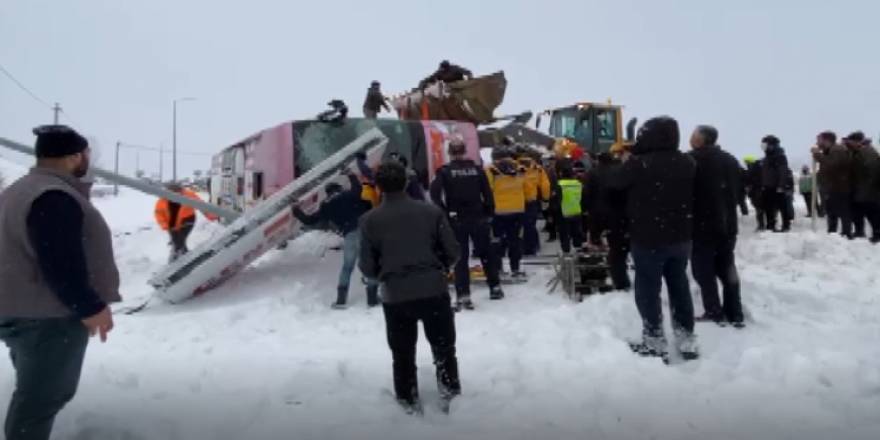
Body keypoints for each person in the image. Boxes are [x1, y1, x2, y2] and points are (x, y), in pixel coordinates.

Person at [0, 125, 121, 440]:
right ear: (73, 157)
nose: (88, 161)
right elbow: (60, 261)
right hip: (47, 317)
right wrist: (90, 306)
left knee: (34, 390)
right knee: (41, 398)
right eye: (86, 155)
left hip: (19, 310)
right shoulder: (54, 196)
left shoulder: (19, 190)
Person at [359, 161, 461, 413]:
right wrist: (440, 267)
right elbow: (453, 251)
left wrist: (384, 273)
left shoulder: (370, 221)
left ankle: (407, 401)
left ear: (379, 187)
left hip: (396, 296)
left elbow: (367, 267)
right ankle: (450, 395)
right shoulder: (431, 212)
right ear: (406, 182)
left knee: (402, 354)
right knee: (444, 348)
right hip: (433, 290)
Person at [608, 116, 698, 360]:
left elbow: (614, 182)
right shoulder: (687, 162)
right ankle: (686, 339)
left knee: (648, 289)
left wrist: (627, 159)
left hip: (648, 238)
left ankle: (654, 340)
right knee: (679, 287)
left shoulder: (639, 164)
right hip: (681, 237)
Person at [430, 140, 503, 310]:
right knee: (486, 253)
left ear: (449, 153)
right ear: (464, 152)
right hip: (478, 217)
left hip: (457, 220)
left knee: (460, 258)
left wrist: (445, 212)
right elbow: (488, 193)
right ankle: (495, 287)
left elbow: (434, 194)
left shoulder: (445, 172)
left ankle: (464, 296)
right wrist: (488, 212)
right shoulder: (477, 170)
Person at [293, 164, 377, 308]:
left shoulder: (326, 206)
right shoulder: (348, 195)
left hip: (349, 234)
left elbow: (309, 220)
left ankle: (341, 300)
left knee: (347, 267)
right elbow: (358, 188)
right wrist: (350, 174)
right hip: (365, 231)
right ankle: (372, 298)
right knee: (370, 263)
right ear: (339, 189)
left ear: (328, 193)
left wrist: (296, 210)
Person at [688, 126, 745, 328]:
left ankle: (714, 311)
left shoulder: (692, 160)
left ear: (701, 140)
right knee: (727, 267)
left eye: (693, 135)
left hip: (703, 225)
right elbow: (741, 188)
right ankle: (735, 313)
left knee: (703, 271)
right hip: (728, 224)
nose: (690, 138)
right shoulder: (730, 160)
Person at [585, 151, 631, 290]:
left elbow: (588, 194)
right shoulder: (620, 171)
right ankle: (622, 279)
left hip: (598, 213)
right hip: (618, 216)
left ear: (599, 160)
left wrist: (587, 210)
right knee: (619, 250)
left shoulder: (592, 173)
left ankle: (617, 281)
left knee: (604, 246)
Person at [486, 147, 528, 278]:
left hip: (499, 211)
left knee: (496, 240)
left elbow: (487, 189)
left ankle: (498, 268)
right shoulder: (521, 169)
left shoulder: (490, 170)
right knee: (515, 240)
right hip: (517, 211)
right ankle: (515, 269)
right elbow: (527, 188)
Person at [155, 183, 218, 262]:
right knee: (178, 242)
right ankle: (186, 257)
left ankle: (174, 261)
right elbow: (158, 214)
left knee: (179, 242)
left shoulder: (188, 194)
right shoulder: (162, 200)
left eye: (178, 193)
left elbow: (201, 205)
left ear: (181, 191)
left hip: (187, 220)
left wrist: (211, 216)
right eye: (173, 194)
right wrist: (165, 225)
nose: (176, 196)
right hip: (171, 224)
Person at [812, 131, 854, 237]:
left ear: (826, 140)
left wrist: (817, 155)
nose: (817, 143)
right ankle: (832, 233)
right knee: (831, 212)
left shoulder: (837, 150)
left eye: (819, 140)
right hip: (832, 187)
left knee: (843, 213)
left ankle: (846, 233)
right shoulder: (829, 151)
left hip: (840, 187)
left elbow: (832, 165)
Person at [843, 132, 880, 242]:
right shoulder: (857, 152)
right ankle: (860, 232)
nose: (848, 143)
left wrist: (867, 188)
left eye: (850, 141)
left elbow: (873, 171)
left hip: (868, 190)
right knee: (859, 212)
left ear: (856, 141)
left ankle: (877, 234)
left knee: (873, 213)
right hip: (860, 189)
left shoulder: (867, 152)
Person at [516, 146, 551, 256]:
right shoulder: (538, 168)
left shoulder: (514, 167)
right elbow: (545, 185)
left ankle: (523, 247)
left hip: (517, 201)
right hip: (532, 200)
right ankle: (532, 246)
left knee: (519, 225)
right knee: (530, 224)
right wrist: (545, 199)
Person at [553, 165, 587, 254]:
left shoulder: (559, 185)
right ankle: (578, 249)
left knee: (564, 234)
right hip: (576, 211)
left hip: (564, 212)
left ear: (561, 174)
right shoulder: (578, 184)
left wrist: (553, 212)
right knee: (577, 232)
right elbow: (583, 198)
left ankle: (566, 251)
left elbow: (556, 200)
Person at [761, 135, 791, 232]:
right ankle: (770, 225)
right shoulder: (767, 157)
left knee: (782, 206)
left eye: (765, 144)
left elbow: (783, 171)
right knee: (768, 207)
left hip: (777, 187)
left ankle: (786, 225)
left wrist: (781, 185)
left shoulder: (779, 156)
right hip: (768, 186)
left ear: (772, 145)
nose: (763, 147)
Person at [743, 156, 766, 231]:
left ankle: (761, 225)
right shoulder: (758, 168)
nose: (746, 164)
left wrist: (749, 186)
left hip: (756, 192)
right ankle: (764, 225)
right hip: (758, 191)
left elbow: (749, 181)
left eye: (747, 162)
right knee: (761, 209)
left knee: (759, 209)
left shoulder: (753, 170)